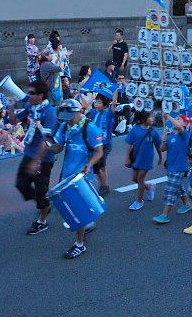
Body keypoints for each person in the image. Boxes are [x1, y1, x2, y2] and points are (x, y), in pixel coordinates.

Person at [45, 99, 104, 259]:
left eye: (70, 115)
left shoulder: (90, 129)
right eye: (66, 116)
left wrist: (89, 165)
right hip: (66, 175)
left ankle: (79, 244)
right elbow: (58, 147)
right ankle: (86, 223)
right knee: (72, 210)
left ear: (79, 112)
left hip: (82, 177)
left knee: (77, 211)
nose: (68, 119)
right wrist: (47, 147)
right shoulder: (65, 127)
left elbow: (99, 151)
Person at [10, 80, 58, 235]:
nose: (27, 95)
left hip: (43, 158)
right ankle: (44, 205)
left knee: (40, 190)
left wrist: (37, 161)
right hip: (29, 153)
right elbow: (13, 121)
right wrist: (11, 106)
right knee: (21, 184)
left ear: (40, 95)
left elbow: (48, 140)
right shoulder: (31, 107)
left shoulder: (49, 112)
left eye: (31, 93)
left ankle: (41, 221)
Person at [153, 114, 192, 224]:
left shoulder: (184, 135)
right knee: (178, 187)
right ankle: (187, 204)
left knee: (170, 191)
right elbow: (162, 149)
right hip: (170, 167)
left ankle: (165, 215)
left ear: (185, 124)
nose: (176, 121)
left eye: (179, 119)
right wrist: (164, 139)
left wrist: (167, 116)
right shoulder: (171, 135)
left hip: (179, 168)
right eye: (176, 119)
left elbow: (179, 127)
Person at [124, 110, 162, 210]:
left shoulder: (153, 132)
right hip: (136, 157)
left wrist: (160, 156)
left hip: (147, 159)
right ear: (143, 119)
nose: (152, 119)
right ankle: (149, 187)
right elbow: (129, 144)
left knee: (140, 179)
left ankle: (139, 201)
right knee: (134, 179)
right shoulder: (135, 129)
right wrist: (127, 157)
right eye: (150, 117)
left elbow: (158, 146)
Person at [88, 92, 116, 196]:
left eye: (99, 102)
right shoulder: (94, 113)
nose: (96, 104)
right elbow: (87, 106)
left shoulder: (108, 113)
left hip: (106, 144)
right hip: (96, 144)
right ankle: (103, 185)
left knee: (100, 165)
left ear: (104, 105)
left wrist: (116, 92)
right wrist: (82, 94)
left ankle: (105, 186)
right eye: (95, 102)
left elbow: (113, 105)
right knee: (99, 167)